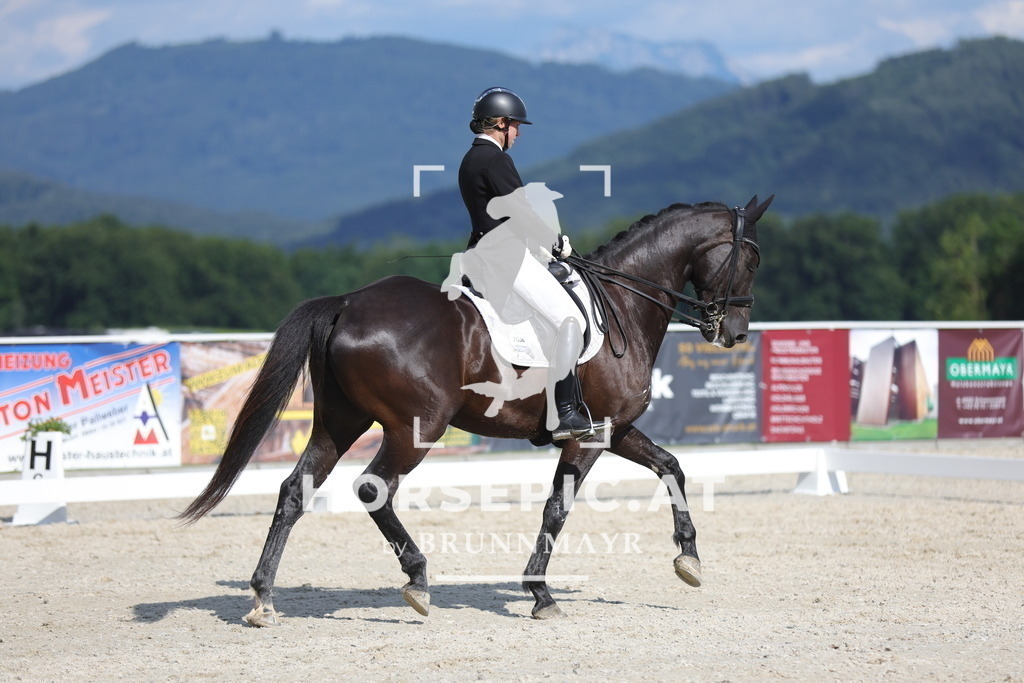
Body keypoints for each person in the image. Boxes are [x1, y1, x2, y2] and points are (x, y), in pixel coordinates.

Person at [447, 86, 601, 442]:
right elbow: (521, 211)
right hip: (507, 259)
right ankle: (563, 413)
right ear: (501, 123)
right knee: (570, 320)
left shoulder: (470, 159)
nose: (519, 133)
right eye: (515, 125)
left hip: (480, 255)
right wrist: (555, 241)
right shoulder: (496, 160)